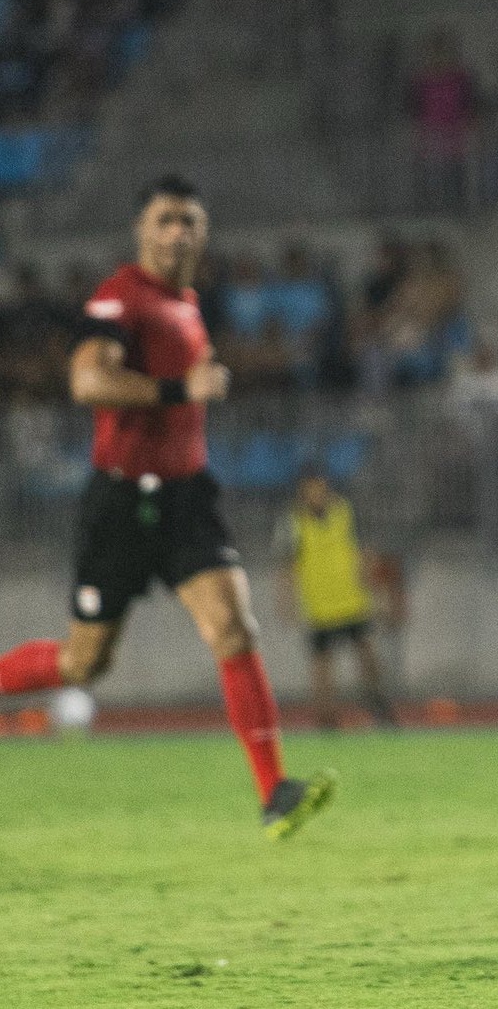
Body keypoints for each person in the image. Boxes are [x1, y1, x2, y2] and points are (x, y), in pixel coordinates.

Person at [0, 176, 336, 840]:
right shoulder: (120, 298)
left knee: (234, 629)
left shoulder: (187, 303)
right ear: (141, 230)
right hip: (122, 500)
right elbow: (87, 379)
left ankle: (275, 791)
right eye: (165, 220)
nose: (177, 232)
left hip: (185, 496)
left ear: (203, 234)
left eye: (189, 221)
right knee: (84, 663)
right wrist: (184, 385)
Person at [276, 470, 397, 729]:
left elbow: (366, 554)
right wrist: (287, 603)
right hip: (319, 606)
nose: (315, 495)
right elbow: (286, 566)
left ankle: (378, 706)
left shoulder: (345, 512)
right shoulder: (293, 522)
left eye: (319, 488)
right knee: (322, 667)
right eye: (309, 489)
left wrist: (378, 594)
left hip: (352, 600)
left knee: (368, 657)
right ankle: (326, 720)